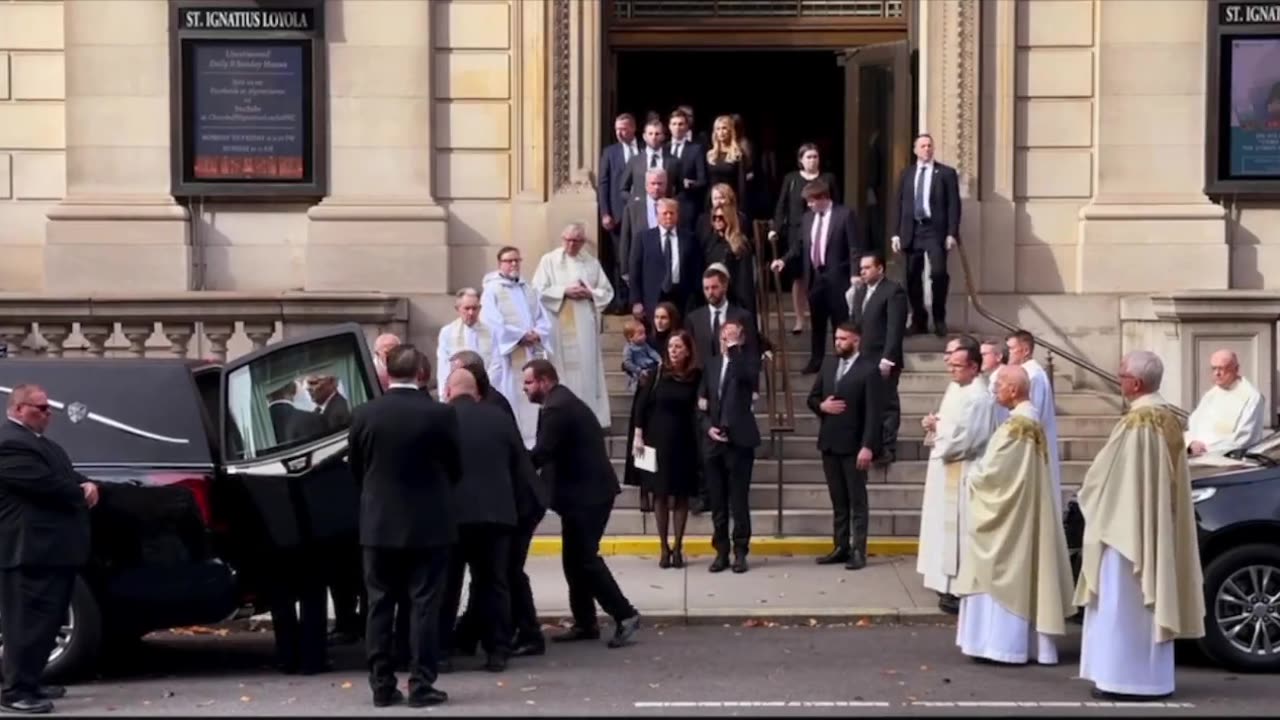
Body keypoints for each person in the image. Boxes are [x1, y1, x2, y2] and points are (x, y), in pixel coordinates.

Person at [1074, 350, 1205, 701]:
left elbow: (1112, 478)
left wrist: (1088, 496)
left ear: (1134, 383)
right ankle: (1150, 679)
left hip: (1126, 530)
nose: (1119, 382)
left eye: (1121, 376)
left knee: (1123, 603)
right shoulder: (1169, 418)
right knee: (1141, 605)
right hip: (1154, 525)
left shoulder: (1138, 422)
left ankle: (1122, 679)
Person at [348, 345, 462, 708]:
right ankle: (421, 682)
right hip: (429, 524)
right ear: (422, 374)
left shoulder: (364, 414)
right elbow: (455, 467)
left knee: (379, 604)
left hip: (379, 522)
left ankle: (381, 684)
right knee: (424, 604)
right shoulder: (440, 415)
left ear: (388, 373)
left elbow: (357, 468)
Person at [953, 365, 1075, 665]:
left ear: (1014, 389)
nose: (994, 389)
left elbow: (996, 474)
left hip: (1008, 519)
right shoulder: (1029, 423)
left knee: (1002, 571)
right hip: (1023, 512)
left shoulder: (1017, 427)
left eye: (999, 384)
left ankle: (1001, 645)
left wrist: (972, 477)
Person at [523, 359, 641, 648]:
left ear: (544, 381)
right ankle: (585, 621)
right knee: (573, 561)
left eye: (528, 383)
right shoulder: (559, 402)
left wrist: (513, 464)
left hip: (587, 496)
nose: (524, 389)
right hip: (584, 494)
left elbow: (542, 452)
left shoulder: (557, 408)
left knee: (585, 559)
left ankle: (625, 614)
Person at [0, 384, 97, 714]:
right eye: (40, 408)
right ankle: (15, 691)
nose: (48, 413)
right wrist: (80, 492)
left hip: (53, 549)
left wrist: (87, 482)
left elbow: (66, 474)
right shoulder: (9, 443)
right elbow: (45, 486)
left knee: (48, 620)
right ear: (17, 409)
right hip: (28, 548)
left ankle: (32, 680)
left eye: (48, 408)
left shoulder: (42, 444)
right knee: (25, 621)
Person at [446, 351, 548, 661]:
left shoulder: (444, 418)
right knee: (495, 581)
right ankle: (497, 648)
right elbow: (519, 462)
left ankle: (447, 648)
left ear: (452, 391)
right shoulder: (499, 417)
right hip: (500, 512)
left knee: (452, 583)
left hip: (458, 516)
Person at [917, 341, 997, 614]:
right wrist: (934, 423)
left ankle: (955, 586)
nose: (951, 369)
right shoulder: (956, 388)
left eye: (957, 365)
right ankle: (941, 579)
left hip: (963, 469)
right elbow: (948, 423)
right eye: (950, 364)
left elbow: (967, 439)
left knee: (957, 531)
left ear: (974, 367)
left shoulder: (979, 397)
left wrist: (939, 427)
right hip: (944, 467)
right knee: (940, 526)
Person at [807, 323, 885, 570]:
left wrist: (868, 446)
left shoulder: (869, 370)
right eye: (836, 338)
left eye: (843, 339)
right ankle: (840, 546)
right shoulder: (829, 364)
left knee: (856, 500)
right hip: (829, 442)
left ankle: (858, 549)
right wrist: (822, 407)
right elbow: (812, 397)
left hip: (854, 445)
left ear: (856, 341)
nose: (838, 342)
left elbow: (874, 412)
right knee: (838, 500)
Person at [769, 178, 862, 375]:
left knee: (840, 322)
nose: (809, 205)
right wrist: (783, 260)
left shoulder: (844, 215)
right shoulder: (807, 218)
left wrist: (855, 274)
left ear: (823, 198)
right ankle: (816, 360)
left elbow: (854, 247)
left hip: (838, 277)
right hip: (815, 278)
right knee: (817, 323)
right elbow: (800, 244)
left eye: (811, 201)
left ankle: (842, 362)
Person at [532, 222, 615, 428]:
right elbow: (537, 290)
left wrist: (590, 294)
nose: (571, 245)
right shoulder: (549, 260)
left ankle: (587, 416)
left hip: (584, 324)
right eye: (568, 240)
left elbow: (606, 292)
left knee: (586, 368)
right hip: (559, 322)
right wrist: (564, 292)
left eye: (576, 241)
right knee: (560, 367)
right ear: (562, 239)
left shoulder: (591, 263)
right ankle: (559, 413)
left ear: (583, 242)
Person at [632, 329, 703, 569]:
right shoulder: (656, 373)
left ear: (688, 351)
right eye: (671, 347)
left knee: (681, 495)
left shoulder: (695, 376)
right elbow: (641, 407)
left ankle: (678, 547)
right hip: (655, 441)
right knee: (659, 495)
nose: (673, 351)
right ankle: (663, 547)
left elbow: (700, 405)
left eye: (678, 347)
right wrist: (638, 437)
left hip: (684, 441)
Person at [699, 319, 762, 574]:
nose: (728, 342)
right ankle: (721, 551)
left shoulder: (748, 361)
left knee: (739, 500)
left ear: (742, 339)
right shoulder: (712, 365)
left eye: (733, 337)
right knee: (717, 501)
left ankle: (740, 551)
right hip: (715, 441)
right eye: (725, 337)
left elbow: (748, 378)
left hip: (740, 440)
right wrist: (708, 428)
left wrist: (736, 351)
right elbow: (701, 402)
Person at [481, 246, 554, 449]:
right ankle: (513, 441)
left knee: (531, 400)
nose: (513, 264)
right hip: (508, 354)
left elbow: (542, 317)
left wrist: (537, 333)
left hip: (530, 351)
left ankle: (532, 442)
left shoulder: (527, 288)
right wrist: (520, 336)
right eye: (508, 261)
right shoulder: (492, 290)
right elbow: (492, 321)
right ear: (499, 264)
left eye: (516, 260)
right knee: (511, 395)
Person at [889, 133, 962, 337]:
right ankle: (919, 319)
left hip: (934, 231)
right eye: (922, 146)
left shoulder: (946, 173)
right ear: (915, 150)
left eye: (930, 145)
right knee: (912, 277)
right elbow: (899, 204)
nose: (926, 149)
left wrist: (951, 233)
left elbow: (954, 205)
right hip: (911, 230)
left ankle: (939, 318)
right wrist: (895, 233)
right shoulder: (907, 174)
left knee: (938, 274)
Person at [770, 143, 841, 335]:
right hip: (797, 233)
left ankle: (820, 314)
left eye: (815, 157)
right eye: (808, 157)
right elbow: (782, 205)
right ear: (801, 160)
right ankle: (800, 318)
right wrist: (775, 228)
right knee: (799, 277)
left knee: (819, 273)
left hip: (822, 231)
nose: (812, 160)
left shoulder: (828, 179)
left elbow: (837, 203)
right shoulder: (791, 179)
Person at [848, 252, 908, 464]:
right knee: (867, 403)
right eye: (861, 268)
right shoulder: (860, 292)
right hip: (863, 357)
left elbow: (895, 327)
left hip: (882, 357)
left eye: (867, 268)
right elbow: (855, 323)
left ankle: (887, 447)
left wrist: (888, 358)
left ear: (880, 268)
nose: (862, 272)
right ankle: (870, 444)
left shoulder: (893, 291)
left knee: (887, 402)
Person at [1005, 331, 1062, 512]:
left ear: (1025, 350)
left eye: (1012, 349)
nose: (1009, 353)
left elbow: (1030, 413)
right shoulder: (1027, 373)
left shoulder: (1032, 375)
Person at [1185, 349, 1264, 457]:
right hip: (1197, 458)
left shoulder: (1252, 397)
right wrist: (1191, 443)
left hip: (1229, 461)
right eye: (1214, 368)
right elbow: (1193, 424)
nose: (1217, 373)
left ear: (1236, 369)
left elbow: (1244, 438)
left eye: (1222, 368)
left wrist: (1206, 449)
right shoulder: (1211, 394)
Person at [435, 288, 502, 397]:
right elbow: (444, 365)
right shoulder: (447, 332)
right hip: (457, 391)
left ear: (480, 308)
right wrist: (444, 393)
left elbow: (496, 364)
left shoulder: (491, 332)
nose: (471, 313)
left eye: (474, 308)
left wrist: (484, 388)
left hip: (484, 391)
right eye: (467, 308)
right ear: (457, 309)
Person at [621, 318, 662, 391]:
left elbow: (652, 352)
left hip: (649, 366)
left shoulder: (645, 345)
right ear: (630, 337)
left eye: (644, 333)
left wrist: (659, 359)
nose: (644, 336)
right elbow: (627, 363)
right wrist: (638, 370)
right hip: (637, 371)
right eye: (640, 334)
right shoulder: (628, 349)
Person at [980, 340, 1009, 425]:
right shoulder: (994, 377)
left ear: (999, 357)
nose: (980, 359)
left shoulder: (1003, 377)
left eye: (984, 354)